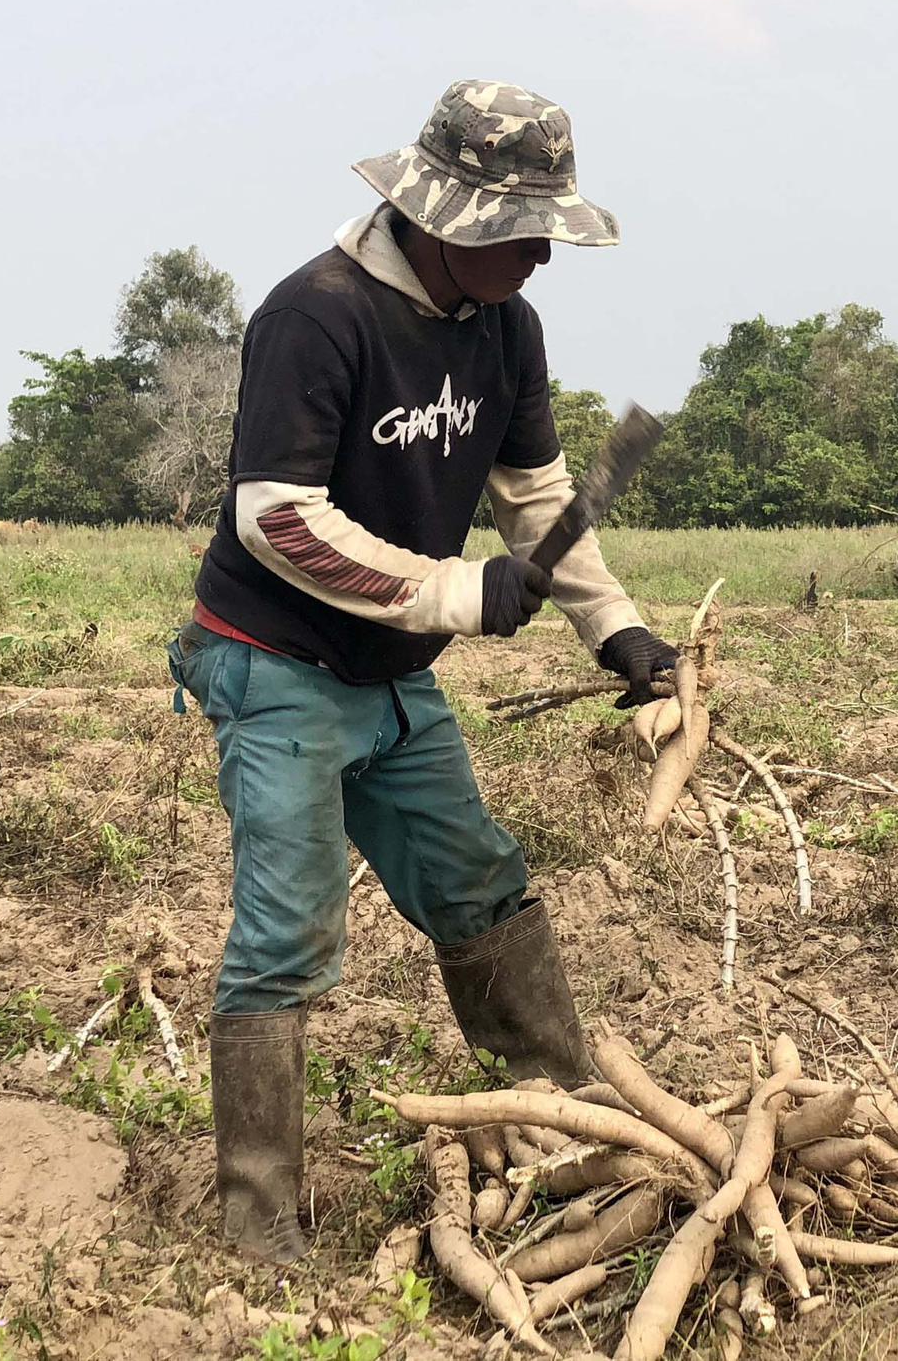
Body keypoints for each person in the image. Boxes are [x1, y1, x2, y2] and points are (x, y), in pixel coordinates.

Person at [169, 80, 678, 1264]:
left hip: (393, 675)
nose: (540, 258)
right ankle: (257, 1224)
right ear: (440, 217)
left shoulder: (506, 329)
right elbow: (274, 519)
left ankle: (563, 1130)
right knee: (287, 935)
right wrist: (454, 591)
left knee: (481, 888)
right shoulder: (318, 315)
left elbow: (539, 499)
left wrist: (618, 632)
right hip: (274, 661)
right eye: (519, 233)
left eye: (546, 231)